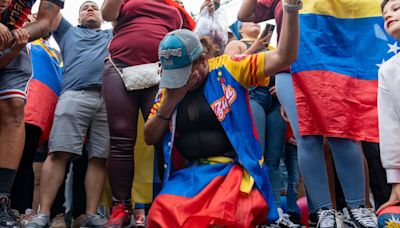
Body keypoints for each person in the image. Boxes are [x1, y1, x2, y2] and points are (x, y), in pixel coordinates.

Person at [143, 0, 300, 225]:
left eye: (187, 71)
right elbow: (149, 137)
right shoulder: (170, 88)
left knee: (219, 217)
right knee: (160, 214)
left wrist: (291, 10)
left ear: (203, 59)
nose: (184, 79)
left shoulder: (229, 68)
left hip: (231, 174)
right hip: (188, 177)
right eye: (176, 74)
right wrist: (171, 101)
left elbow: (285, 57)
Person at [100, 0, 191, 226]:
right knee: (121, 138)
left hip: (164, 70)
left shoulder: (175, 4)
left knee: (166, 138)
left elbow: (188, 39)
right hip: (119, 67)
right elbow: (107, 13)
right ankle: (121, 206)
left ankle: (170, 204)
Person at [26, 1, 112, 227]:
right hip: (74, 94)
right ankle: (43, 214)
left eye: (94, 6)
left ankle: (91, 214)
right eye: (85, 7)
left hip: (107, 100)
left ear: (104, 16)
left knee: (98, 157)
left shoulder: (113, 34)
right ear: (78, 17)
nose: (90, 9)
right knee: (57, 153)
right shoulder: (67, 31)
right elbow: (50, 9)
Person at [225, 21, 299, 227]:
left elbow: (286, 65)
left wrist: (283, 83)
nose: (255, 24)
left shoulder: (274, 47)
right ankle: (257, 210)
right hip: (253, 95)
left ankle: (277, 210)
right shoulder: (237, 44)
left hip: (275, 101)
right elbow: (227, 67)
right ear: (239, 29)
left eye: (257, 22)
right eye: (249, 22)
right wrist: (256, 46)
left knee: (275, 158)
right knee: (257, 155)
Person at [0, 0, 64, 227]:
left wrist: (17, 36)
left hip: (13, 43)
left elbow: (45, 22)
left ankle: (2, 199)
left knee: (15, 105)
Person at [377, 0, 400, 213]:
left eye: (396, 8)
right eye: (385, 15)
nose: (388, 15)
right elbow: (390, 128)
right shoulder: (388, 70)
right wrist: (396, 183)